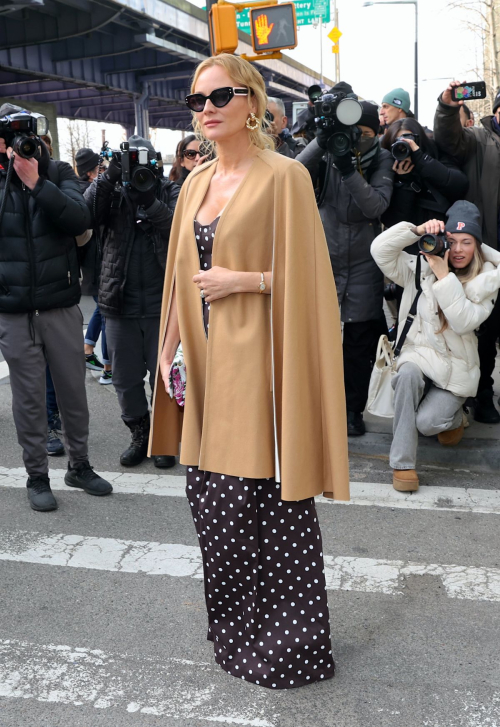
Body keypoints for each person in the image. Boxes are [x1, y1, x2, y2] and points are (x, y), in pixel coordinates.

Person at [148, 53, 349, 689]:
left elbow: (313, 281)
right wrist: (168, 344)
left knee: (262, 504)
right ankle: (234, 637)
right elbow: (180, 275)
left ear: (252, 104)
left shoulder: (284, 177)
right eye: (196, 100)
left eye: (220, 96)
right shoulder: (193, 183)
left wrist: (248, 280)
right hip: (203, 366)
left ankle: (290, 649)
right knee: (211, 505)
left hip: (258, 365)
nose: (205, 108)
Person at [0, 103, 113, 512]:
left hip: (60, 306)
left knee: (73, 394)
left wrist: (35, 181)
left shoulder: (58, 171)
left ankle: (79, 466)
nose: (21, 142)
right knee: (28, 400)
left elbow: (80, 216)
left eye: (26, 133)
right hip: (14, 312)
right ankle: (36, 476)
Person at [371, 201, 500, 492]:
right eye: (451, 241)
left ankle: (455, 417)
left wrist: (444, 276)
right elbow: (379, 251)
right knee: (406, 375)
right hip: (418, 358)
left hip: (455, 372)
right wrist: (416, 231)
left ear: (478, 247)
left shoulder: (486, 281)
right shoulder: (420, 268)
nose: (457, 250)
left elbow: (463, 321)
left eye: (467, 242)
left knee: (427, 423)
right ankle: (403, 465)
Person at [296, 95, 394, 437]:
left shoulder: (381, 158)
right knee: (318, 340)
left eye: (367, 132)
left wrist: (349, 170)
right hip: (324, 258)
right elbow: (292, 173)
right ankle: (316, 406)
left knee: (356, 347)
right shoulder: (326, 151)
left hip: (364, 264)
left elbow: (376, 207)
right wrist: (321, 143)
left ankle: (353, 411)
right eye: (354, 131)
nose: (358, 138)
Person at [85, 135, 179, 469]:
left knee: (164, 375)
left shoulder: (169, 190)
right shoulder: (112, 192)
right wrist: (109, 176)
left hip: (162, 304)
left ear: (157, 163)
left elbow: (181, 228)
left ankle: (164, 438)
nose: (139, 171)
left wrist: (150, 201)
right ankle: (140, 433)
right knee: (124, 379)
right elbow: (84, 214)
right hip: (119, 303)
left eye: (146, 163)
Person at [434, 82, 500, 424]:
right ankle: (482, 397)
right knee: (484, 332)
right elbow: (448, 139)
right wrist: (447, 108)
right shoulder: (478, 138)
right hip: (486, 255)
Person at [381, 117, 468, 231]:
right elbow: (394, 222)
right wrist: (404, 182)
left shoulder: (435, 154)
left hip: (441, 233)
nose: (403, 148)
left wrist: (422, 160)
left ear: (419, 140)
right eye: (398, 143)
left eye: (408, 141)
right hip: (409, 241)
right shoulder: (386, 168)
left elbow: (460, 184)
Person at [75, 147, 112, 384]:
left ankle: (88, 349)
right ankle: (109, 368)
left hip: (92, 265)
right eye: (101, 169)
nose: (105, 172)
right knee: (108, 312)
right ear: (91, 173)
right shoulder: (90, 194)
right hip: (97, 263)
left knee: (102, 309)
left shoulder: (79, 192)